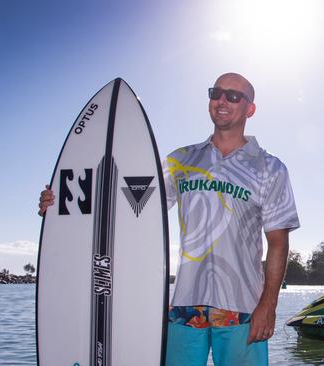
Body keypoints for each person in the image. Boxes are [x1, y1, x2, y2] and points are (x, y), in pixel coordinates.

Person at [38, 73, 300, 366]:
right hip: (185, 305)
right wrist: (64, 203)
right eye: (216, 93)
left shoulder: (270, 168)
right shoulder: (181, 160)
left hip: (243, 306)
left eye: (233, 96)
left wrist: (269, 304)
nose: (222, 100)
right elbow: (131, 207)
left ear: (250, 109)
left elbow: (278, 242)